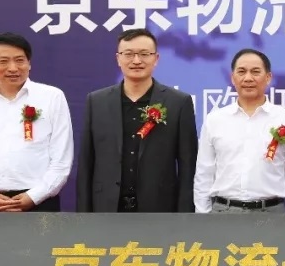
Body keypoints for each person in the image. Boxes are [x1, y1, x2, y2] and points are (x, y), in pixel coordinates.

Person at [77, 28, 198, 213]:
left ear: (156, 58)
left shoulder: (178, 103)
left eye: (144, 54)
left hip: (160, 210)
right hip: (106, 208)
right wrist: (83, 215)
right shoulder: (96, 101)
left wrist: (184, 216)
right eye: (128, 54)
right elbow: (86, 163)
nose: (136, 60)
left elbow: (187, 166)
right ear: (118, 58)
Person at [0, 32, 73, 212]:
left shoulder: (52, 97)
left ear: (29, 63)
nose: (13, 68)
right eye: (3, 61)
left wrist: (34, 196)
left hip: (39, 203)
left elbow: (62, 159)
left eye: (20, 60)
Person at [194, 49, 285, 213]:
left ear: (268, 77)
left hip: (271, 213)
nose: (248, 78)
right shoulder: (215, 120)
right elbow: (204, 175)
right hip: (224, 213)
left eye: (255, 72)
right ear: (232, 78)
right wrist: (203, 217)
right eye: (241, 72)